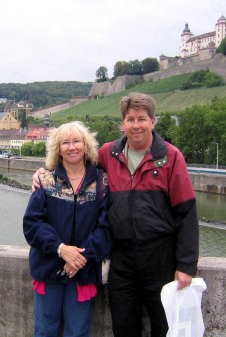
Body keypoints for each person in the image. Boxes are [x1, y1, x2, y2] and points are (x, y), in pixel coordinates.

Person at [32, 93, 199, 337]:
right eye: (130, 119)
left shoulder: (171, 157)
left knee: (164, 328)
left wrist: (186, 265)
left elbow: (186, 213)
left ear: (153, 121)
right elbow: (74, 165)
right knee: (123, 328)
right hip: (122, 259)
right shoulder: (109, 154)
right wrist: (43, 173)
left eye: (142, 119)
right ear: (122, 123)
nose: (136, 125)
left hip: (160, 258)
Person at [23, 121, 111, 337]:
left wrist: (81, 257)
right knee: (45, 330)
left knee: (78, 332)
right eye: (66, 143)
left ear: (85, 145)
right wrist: (61, 249)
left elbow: (106, 228)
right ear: (58, 149)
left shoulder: (102, 182)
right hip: (49, 266)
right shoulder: (45, 180)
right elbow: (32, 224)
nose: (72, 147)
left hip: (84, 269)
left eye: (76, 141)